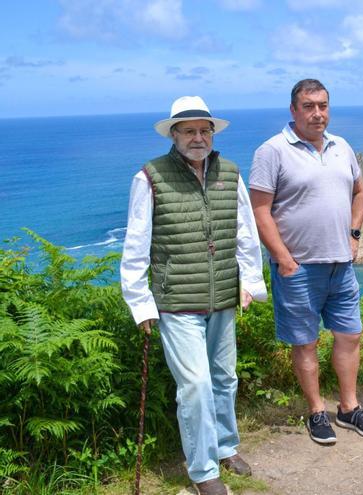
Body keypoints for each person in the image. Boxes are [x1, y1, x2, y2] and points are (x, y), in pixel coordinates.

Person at [120, 96, 267, 495]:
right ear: (174, 134)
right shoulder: (150, 177)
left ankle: (225, 447)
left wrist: (250, 283)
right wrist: (141, 303)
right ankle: (204, 472)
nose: (198, 137)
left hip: (222, 295)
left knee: (224, 378)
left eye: (205, 130)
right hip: (176, 302)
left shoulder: (230, 172)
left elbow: (245, 233)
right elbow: (136, 244)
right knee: (197, 385)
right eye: (189, 130)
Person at [249, 79, 363, 445]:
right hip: (299, 268)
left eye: (323, 105)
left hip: (341, 265)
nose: (317, 113)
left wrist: (355, 235)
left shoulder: (342, 147)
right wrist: (282, 259)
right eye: (308, 106)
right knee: (305, 343)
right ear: (293, 110)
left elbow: (360, 191)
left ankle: (349, 407)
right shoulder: (272, 151)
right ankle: (316, 411)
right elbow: (259, 209)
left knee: (350, 336)